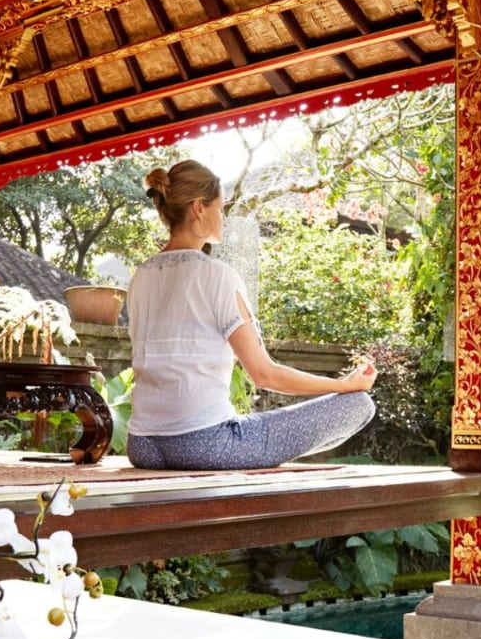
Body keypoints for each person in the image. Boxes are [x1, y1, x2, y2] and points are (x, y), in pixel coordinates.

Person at [125, 160, 377, 470]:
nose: (224, 217)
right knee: (358, 405)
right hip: (205, 444)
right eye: (220, 208)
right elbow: (263, 374)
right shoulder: (217, 275)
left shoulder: (141, 275)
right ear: (198, 208)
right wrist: (345, 385)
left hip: (142, 444)